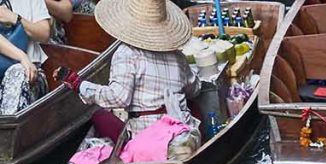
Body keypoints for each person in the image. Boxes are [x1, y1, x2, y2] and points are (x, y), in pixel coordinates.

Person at [76, 0, 192, 131]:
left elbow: (118, 98)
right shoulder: (177, 56)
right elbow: (194, 88)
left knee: (100, 116)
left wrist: (81, 86)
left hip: (149, 135)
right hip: (182, 129)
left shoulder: (126, 53)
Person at [0, 0, 70, 114]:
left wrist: (16, 19)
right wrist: (21, 56)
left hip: (30, 72)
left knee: (19, 72)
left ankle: (8, 130)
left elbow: (44, 33)